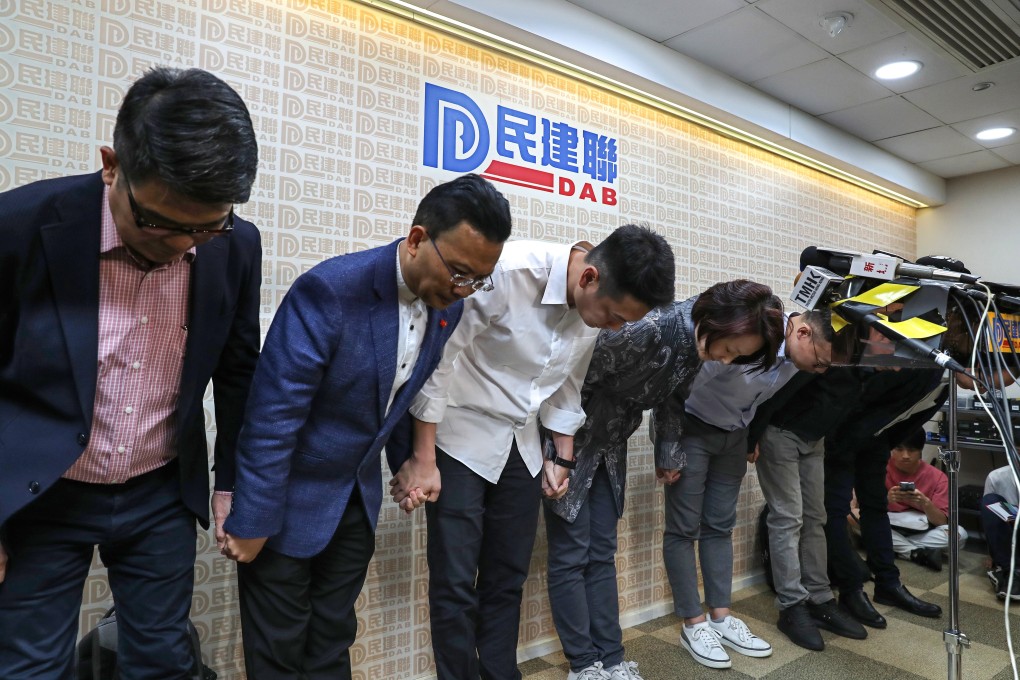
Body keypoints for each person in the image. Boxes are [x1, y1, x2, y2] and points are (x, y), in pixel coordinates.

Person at [0, 67, 262, 678]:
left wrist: (231, 486)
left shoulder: (235, 244)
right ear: (111, 165)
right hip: (45, 488)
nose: (182, 246)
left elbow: (238, 369)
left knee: (164, 657)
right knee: (28, 664)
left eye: (206, 226)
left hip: (159, 489)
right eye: (158, 223)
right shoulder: (19, 227)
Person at [219, 174, 512, 679]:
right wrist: (252, 520)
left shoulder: (449, 307)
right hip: (287, 502)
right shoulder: (331, 290)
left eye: (477, 280)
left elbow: (392, 396)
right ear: (418, 239)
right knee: (278, 654)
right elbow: (272, 417)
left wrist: (408, 460)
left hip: (355, 500)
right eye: (459, 273)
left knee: (333, 642)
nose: (464, 289)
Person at [393, 225, 676, 680]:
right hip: (459, 435)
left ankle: (502, 673)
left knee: (507, 576)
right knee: (456, 582)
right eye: (613, 316)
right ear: (588, 278)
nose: (615, 328)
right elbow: (439, 361)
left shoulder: (592, 309)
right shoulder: (508, 272)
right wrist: (422, 457)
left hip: (521, 444)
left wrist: (562, 455)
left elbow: (568, 383)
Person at [544, 280, 786, 680]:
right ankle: (584, 666)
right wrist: (559, 453)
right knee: (571, 555)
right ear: (717, 319)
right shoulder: (647, 328)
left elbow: (674, 400)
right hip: (568, 442)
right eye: (728, 349)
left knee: (602, 551)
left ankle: (613, 657)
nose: (725, 361)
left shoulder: (695, 345)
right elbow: (569, 380)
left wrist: (669, 454)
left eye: (736, 356)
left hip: (609, 442)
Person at [663, 308, 834, 670]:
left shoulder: (796, 359)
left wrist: (749, 436)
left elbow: (762, 399)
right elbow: (677, 385)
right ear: (802, 333)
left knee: (720, 526)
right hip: (692, 429)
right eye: (819, 361)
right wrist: (669, 444)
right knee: (683, 528)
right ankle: (692, 624)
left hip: (734, 435)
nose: (819, 371)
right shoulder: (750, 334)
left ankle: (720, 618)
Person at [747, 368, 867, 651]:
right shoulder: (833, 341)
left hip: (815, 435)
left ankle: (820, 598)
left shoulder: (869, 360)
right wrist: (752, 435)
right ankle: (791, 607)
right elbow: (776, 391)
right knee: (787, 519)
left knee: (816, 518)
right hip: (781, 430)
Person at [824, 368, 945, 628]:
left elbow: (910, 418)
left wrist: (884, 440)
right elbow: (863, 395)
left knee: (876, 507)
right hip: (843, 435)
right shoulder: (923, 368)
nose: (985, 386)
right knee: (835, 511)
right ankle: (851, 590)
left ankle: (888, 584)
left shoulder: (944, 381)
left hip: (876, 438)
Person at [883, 429, 966, 571]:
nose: (905, 456)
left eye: (911, 450)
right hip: (887, 524)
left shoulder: (938, 477)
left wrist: (925, 503)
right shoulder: (879, 469)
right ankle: (917, 553)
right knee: (857, 517)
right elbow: (863, 509)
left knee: (959, 534)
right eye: (899, 449)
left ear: (920, 450)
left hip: (921, 529)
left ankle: (901, 548)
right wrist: (886, 500)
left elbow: (941, 521)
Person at [981, 465, 1020, 599]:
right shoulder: (997, 477)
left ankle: (1007, 575)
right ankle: (1012, 572)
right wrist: (992, 553)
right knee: (990, 501)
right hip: (1011, 531)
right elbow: (991, 520)